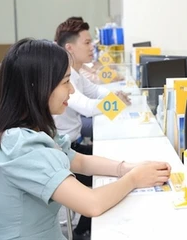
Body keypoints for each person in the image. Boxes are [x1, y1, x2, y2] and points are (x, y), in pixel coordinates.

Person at [0, 39, 171, 240]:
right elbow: (92, 204)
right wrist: (135, 178)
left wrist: (127, 168)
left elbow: (78, 160)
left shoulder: (34, 128)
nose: (71, 90)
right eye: (65, 82)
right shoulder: (19, 145)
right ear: (37, 87)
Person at [53, 17, 131, 238]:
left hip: (72, 146)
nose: (92, 47)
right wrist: (117, 103)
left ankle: (83, 229)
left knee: (112, 164)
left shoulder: (75, 73)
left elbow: (96, 91)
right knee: (109, 177)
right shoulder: (63, 74)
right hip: (64, 153)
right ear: (69, 47)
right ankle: (83, 231)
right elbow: (87, 107)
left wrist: (117, 96)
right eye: (87, 43)